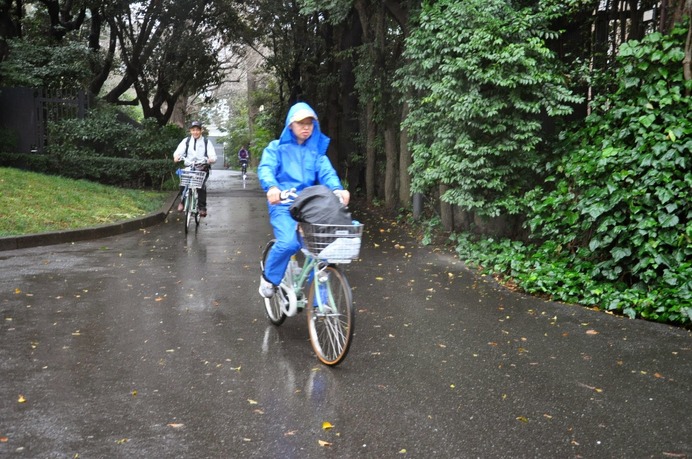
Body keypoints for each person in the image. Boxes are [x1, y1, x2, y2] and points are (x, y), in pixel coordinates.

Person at [257, 102, 350, 298]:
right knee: (289, 243)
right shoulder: (276, 148)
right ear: (290, 125)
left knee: (325, 249)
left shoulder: (316, 152)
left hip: (310, 206)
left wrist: (337, 190)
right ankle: (269, 278)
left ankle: (318, 305)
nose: (306, 127)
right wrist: (272, 188)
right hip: (283, 203)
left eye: (310, 123)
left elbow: (327, 173)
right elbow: (266, 168)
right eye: (301, 123)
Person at [173, 121, 217, 217]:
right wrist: (176, 156)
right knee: (183, 182)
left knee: (200, 186)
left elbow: (212, 154)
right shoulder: (186, 141)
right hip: (189, 167)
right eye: (193, 130)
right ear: (190, 131)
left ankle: (202, 208)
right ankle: (182, 202)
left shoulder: (206, 142)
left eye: (197, 130)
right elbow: (179, 151)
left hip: (202, 168)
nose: (195, 132)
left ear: (201, 130)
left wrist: (211, 159)